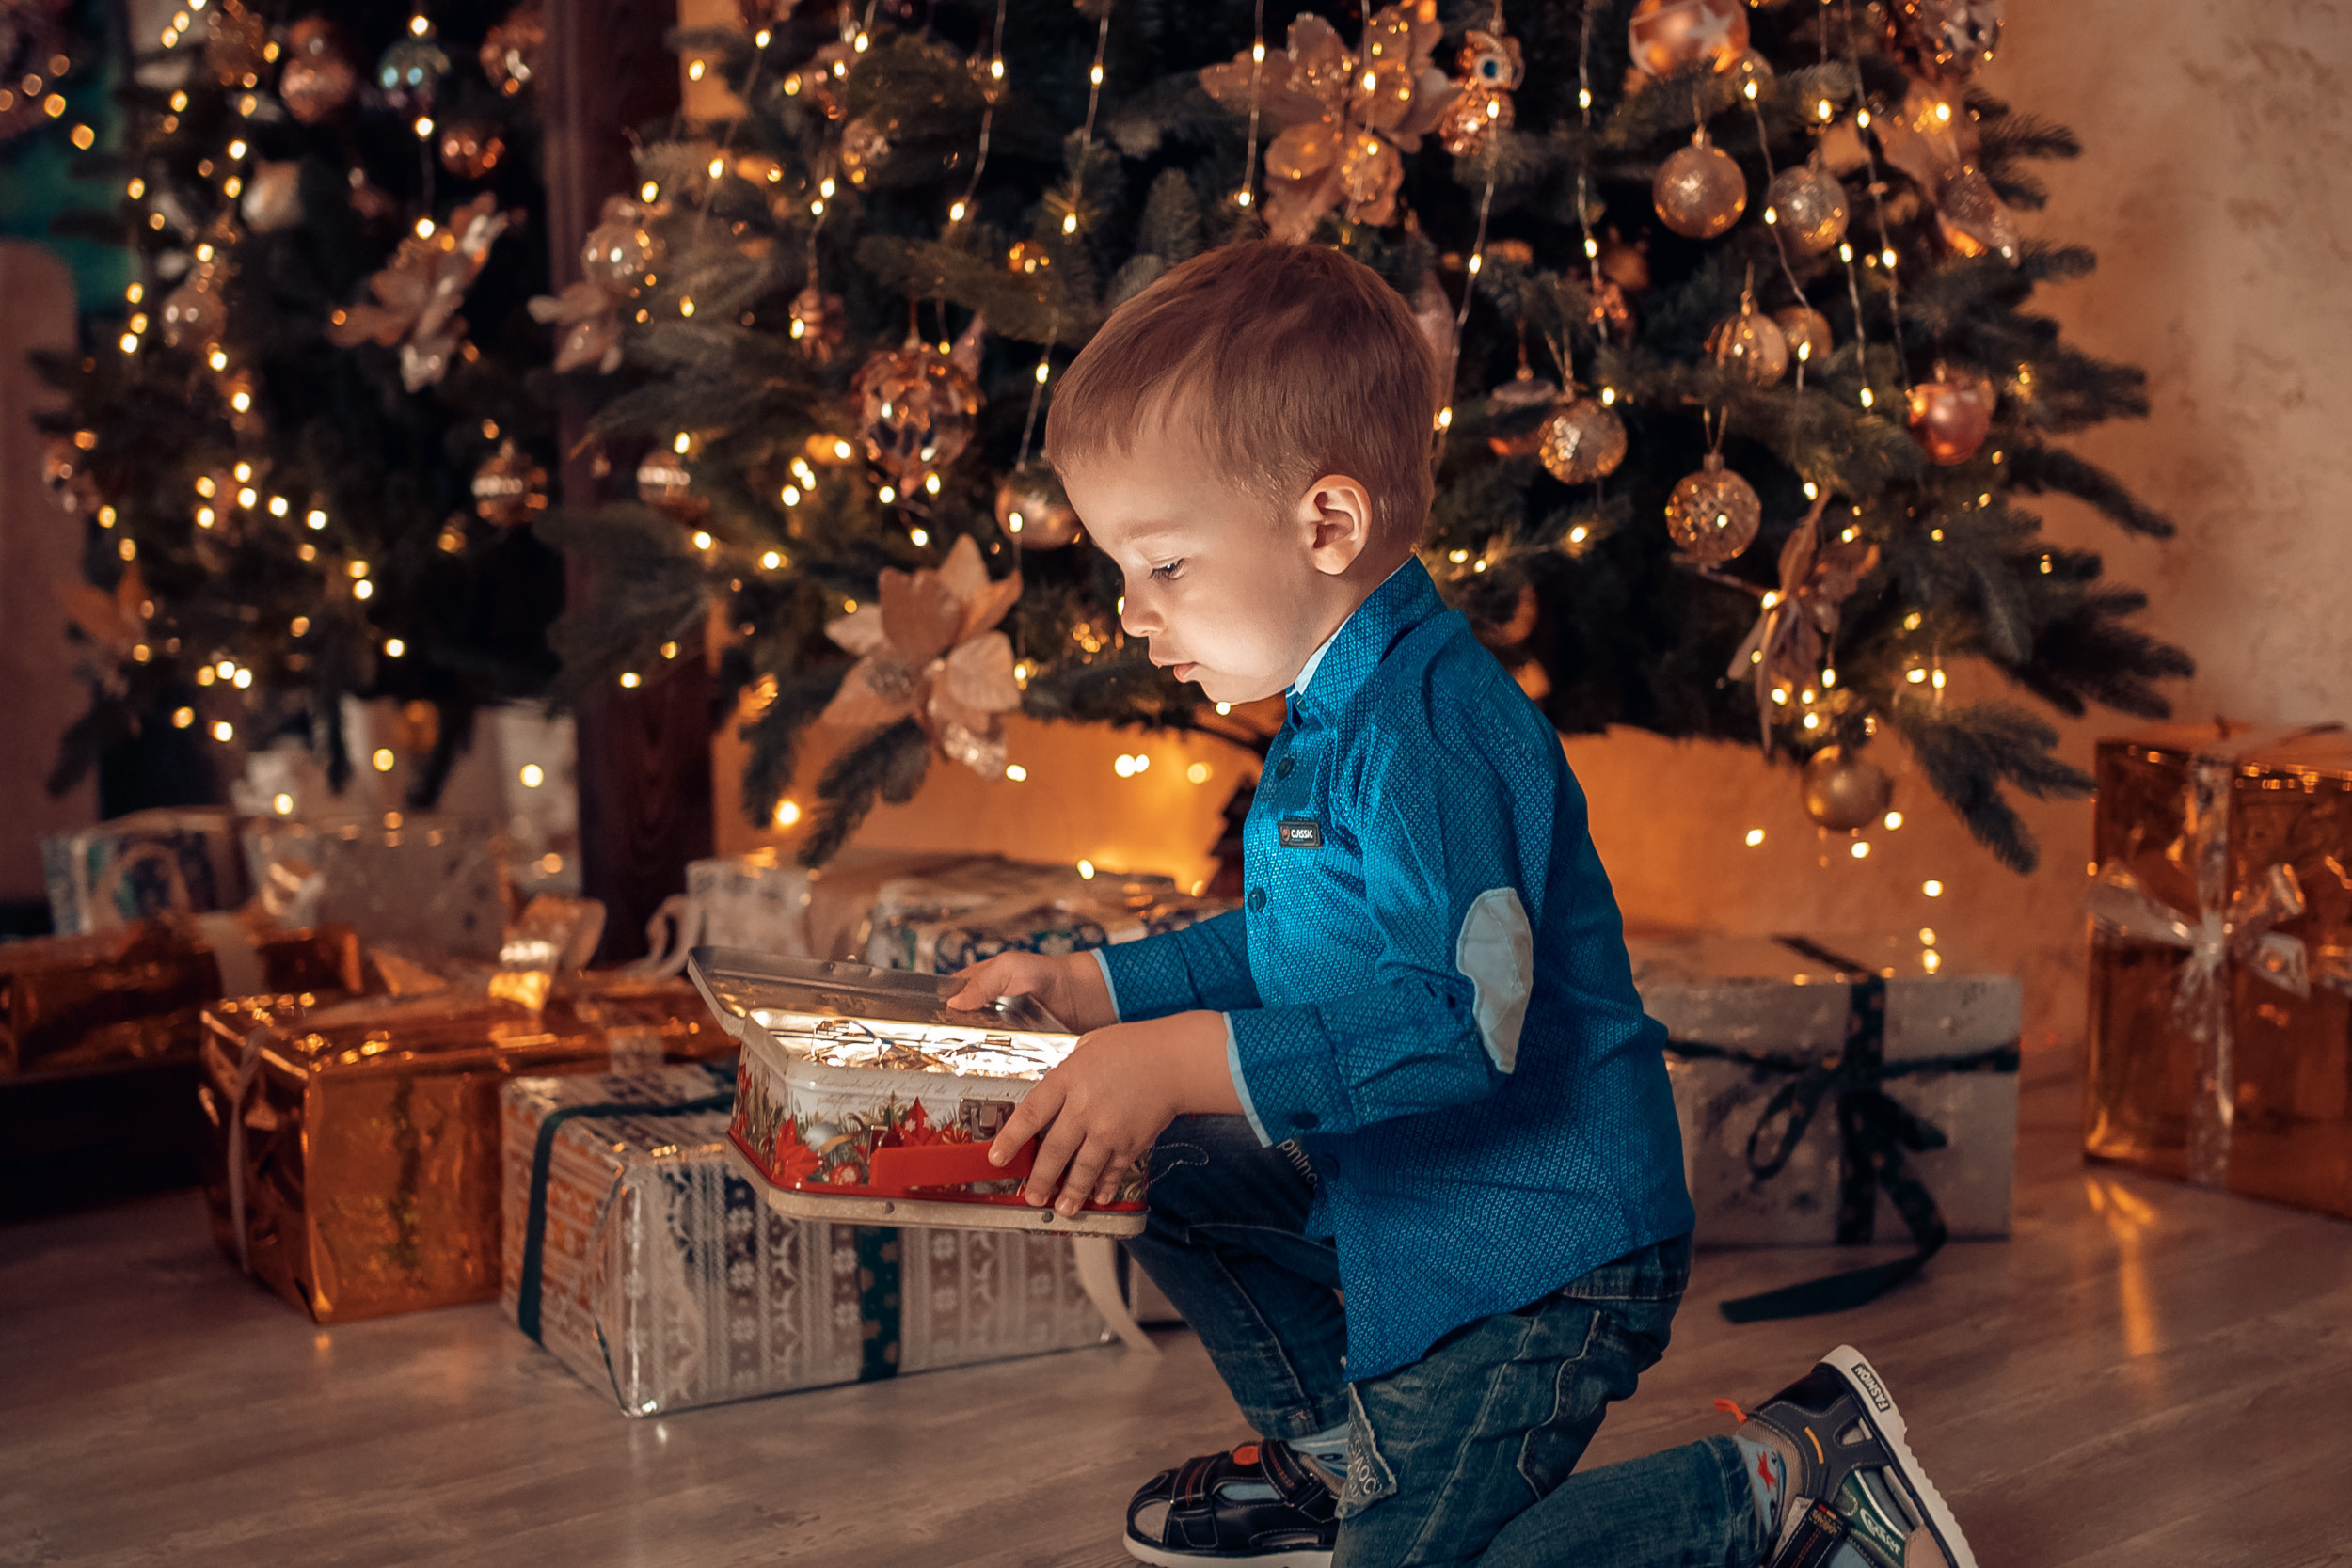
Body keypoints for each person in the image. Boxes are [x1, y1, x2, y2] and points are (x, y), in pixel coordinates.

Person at [946, 240, 1973, 1568]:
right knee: (1161, 1159)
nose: (1131, 615)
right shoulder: (1329, 707)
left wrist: (1182, 1056)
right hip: (1413, 1202)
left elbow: (1459, 1024)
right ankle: (1345, 1456)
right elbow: (1300, 946)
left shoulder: (1425, 735)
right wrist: (1100, 990)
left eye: (1166, 566)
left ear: (1327, 524)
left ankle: (1786, 1485)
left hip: (1539, 1255)